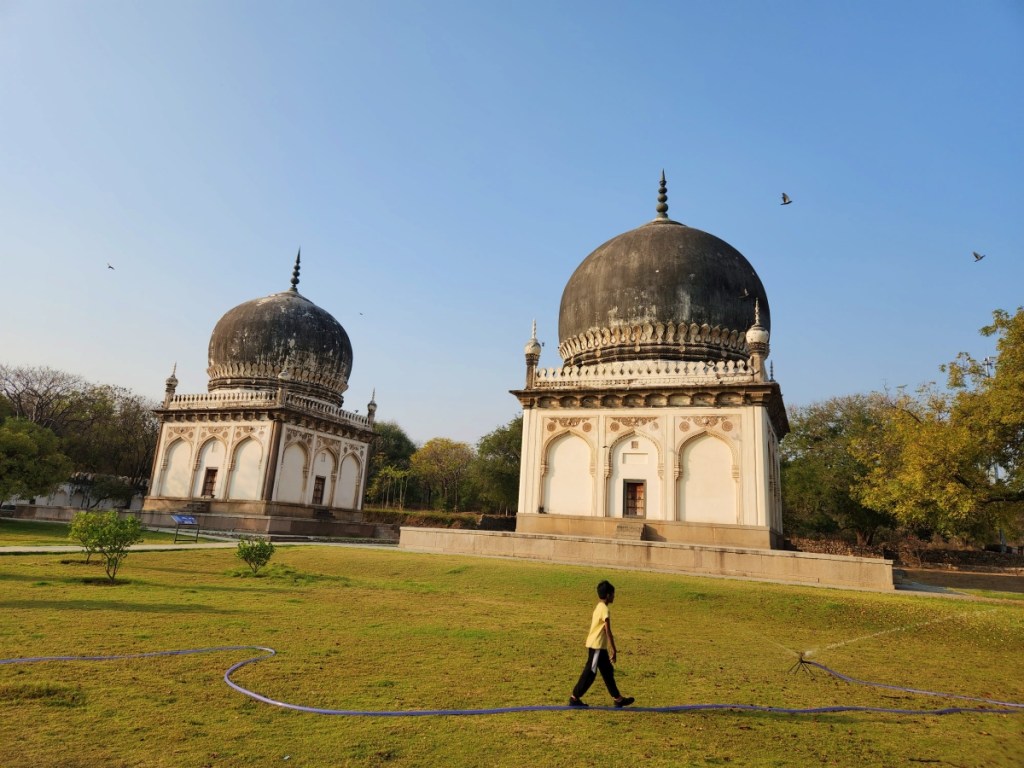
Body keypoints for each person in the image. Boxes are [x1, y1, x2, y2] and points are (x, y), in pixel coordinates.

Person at [568, 580, 635, 708]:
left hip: (599, 646)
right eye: (613, 594)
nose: (614, 596)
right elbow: (607, 630)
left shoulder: (599, 606)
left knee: (607, 672)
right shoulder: (604, 609)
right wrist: (614, 649)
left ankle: (618, 698)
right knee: (590, 673)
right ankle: (574, 697)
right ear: (608, 595)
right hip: (597, 646)